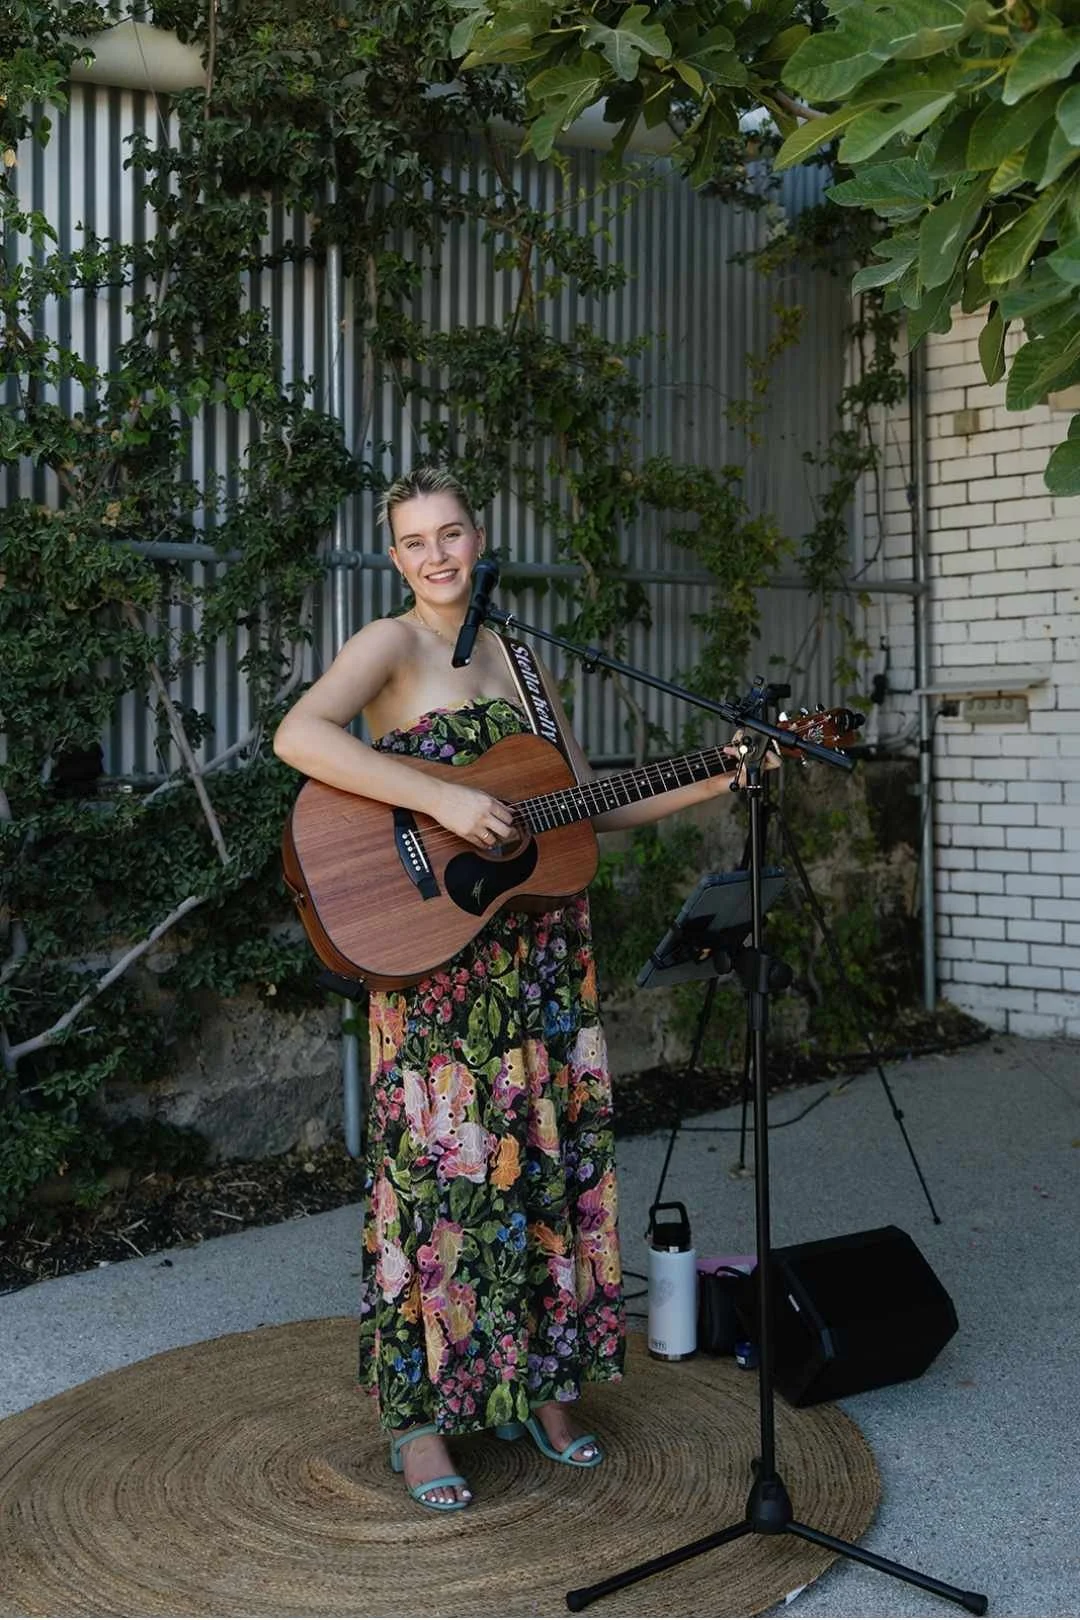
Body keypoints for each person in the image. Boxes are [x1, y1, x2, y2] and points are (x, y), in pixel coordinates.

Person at [273, 465, 753, 1511]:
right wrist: (438, 791)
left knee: (545, 1168)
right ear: (395, 557)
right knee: (443, 1182)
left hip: (537, 959)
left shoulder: (525, 658)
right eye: (415, 542)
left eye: (452, 533)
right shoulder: (388, 647)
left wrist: (709, 778)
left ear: (480, 536)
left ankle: (543, 1385)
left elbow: (577, 809)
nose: (438, 556)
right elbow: (299, 738)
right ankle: (424, 1423)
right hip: (438, 963)